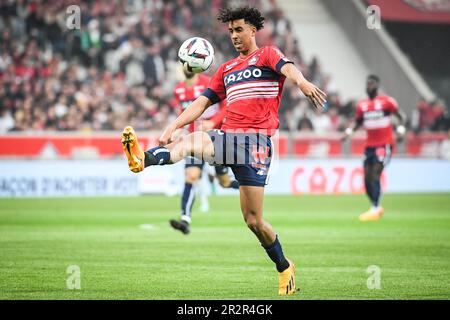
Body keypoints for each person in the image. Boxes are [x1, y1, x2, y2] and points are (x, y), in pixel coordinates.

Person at [121, 6, 326, 295]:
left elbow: (288, 68)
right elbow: (201, 104)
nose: (234, 36)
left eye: (239, 29)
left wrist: (302, 82)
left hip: (256, 144)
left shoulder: (267, 54)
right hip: (228, 138)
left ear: (253, 30)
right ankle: (144, 160)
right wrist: (172, 127)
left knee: (254, 221)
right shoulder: (226, 70)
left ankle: (283, 266)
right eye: (231, 31)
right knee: (190, 142)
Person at [169, 68, 239, 235]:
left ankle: (251, 185)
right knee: (191, 176)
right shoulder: (178, 90)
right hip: (194, 140)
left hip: (216, 138)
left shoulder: (209, 82)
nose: (186, 67)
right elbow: (183, 113)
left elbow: (227, 105)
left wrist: (213, 122)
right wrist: (179, 130)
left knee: (225, 182)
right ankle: (185, 219)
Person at [343, 75, 406, 222]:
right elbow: (358, 122)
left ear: (377, 85)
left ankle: (376, 208)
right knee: (366, 178)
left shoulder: (387, 102)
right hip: (369, 146)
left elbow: (400, 116)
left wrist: (401, 130)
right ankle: (374, 206)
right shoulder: (362, 105)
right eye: (367, 84)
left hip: (384, 144)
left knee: (375, 174)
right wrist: (348, 132)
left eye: (371, 84)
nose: (369, 86)